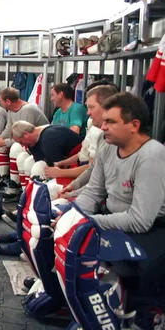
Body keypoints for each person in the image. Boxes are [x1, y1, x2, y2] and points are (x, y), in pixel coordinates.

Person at [71, 93, 165, 289]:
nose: (103, 127)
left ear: (134, 125)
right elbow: (93, 192)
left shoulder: (151, 157)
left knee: (131, 272)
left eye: (111, 122)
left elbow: (140, 221)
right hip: (115, 218)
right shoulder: (107, 147)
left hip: (153, 229)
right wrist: (74, 216)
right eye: (104, 121)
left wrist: (87, 222)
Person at [47, 84, 118, 184]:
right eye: (87, 107)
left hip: (85, 176)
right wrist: (62, 163)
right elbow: (83, 154)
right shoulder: (93, 124)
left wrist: (61, 173)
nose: (88, 113)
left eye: (91, 107)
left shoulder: (101, 133)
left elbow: (92, 170)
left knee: (50, 189)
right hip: (81, 171)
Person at [0, 87, 49, 187]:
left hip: (37, 143)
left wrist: (4, 142)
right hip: (22, 140)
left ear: (8, 101)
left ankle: (15, 185)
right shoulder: (11, 110)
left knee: (16, 148)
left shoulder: (28, 110)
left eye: (1, 101)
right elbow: (9, 129)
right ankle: (3, 179)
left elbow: (25, 138)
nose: (1, 104)